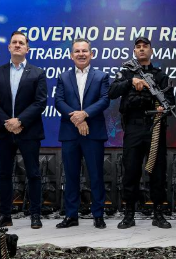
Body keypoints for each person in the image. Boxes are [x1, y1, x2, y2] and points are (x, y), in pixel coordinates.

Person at [109, 37, 174, 229]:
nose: (142, 49)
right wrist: (131, 82)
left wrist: (163, 108)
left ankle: (158, 213)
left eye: (145, 46)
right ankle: (129, 214)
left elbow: (171, 102)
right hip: (134, 127)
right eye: (138, 47)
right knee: (130, 171)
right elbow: (112, 91)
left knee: (158, 171)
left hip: (155, 126)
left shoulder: (160, 75)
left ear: (151, 51)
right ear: (134, 51)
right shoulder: (126, 73)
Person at [0, 31, 47, 229]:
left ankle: (35, 215)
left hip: (28, 131)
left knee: (33, 174)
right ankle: (5, 215)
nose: (18, 45)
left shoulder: (37, 73)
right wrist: (7, 122)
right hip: (3, 131)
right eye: (14, 42)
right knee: (4, 174)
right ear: (9, 47)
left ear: (27, 48)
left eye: (21, 43)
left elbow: (40, 102)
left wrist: (20, 121)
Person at [54, 38, 110, 229]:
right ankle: (71, 215)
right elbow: (59, 101)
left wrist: (84, 114)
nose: (81, 54)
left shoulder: (101, 76)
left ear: (91, 54)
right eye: (77, 51)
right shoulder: (63, 77)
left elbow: (104, 100)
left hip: (93, 133)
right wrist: (77, 119)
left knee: (96, 175)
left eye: (84, 51)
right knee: (71, 176)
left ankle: (98, 215)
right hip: (70, 133)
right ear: (71, 55)